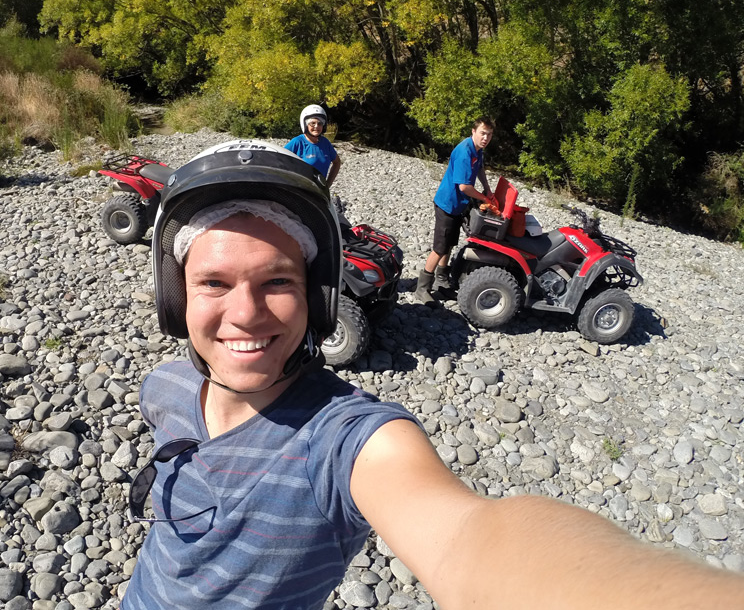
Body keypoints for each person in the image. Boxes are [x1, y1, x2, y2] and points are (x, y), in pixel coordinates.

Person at [120, 140, 744, 610]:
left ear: (318, 294)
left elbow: (470, 538)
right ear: (176, 298)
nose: (246, 313)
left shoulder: (346, 442)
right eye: (213, 283)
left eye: (278, 281)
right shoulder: (166, 389)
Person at [415, 117, 495, 306]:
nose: (486, 138)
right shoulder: (464, 152)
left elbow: (480, 168)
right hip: (447, 204)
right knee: (439, 247)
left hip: (459, 205)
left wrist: (487, 187)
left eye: (489, 134)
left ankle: (441, 282)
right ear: (473, 131)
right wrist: (484, 198)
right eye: (483, 133)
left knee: (450, 243)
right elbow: (464, 187)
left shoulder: (478, 150)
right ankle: (422, 288)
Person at [284, 103, 342, 187]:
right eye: (312, 123)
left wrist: (327, 185)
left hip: (318, 191)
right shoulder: (297, 142)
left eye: (320, 123)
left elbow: (337, 162)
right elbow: (280, 159)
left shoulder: (325, 143)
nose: (316, 126)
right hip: (300, 190)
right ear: (306, 125)